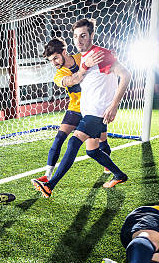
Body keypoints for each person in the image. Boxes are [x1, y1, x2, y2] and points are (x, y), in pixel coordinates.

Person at [32, 18, 131, 198]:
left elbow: (126, 74)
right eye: (76, 36)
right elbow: (76, 79)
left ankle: (50, 185)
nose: (79, 40)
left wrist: (114, 105)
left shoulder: (99, 54)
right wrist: (85, 66)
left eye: (83, 36)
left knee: (73, 141)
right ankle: (119, 174)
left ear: (92, 35)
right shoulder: (84, 58)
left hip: (97, 112)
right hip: (86, 111)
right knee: (92, 150)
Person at [33, 37, 111, 186]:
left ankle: (108, 166)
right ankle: (47, 175)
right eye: (50, 60)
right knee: (59, 138)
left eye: (55, 58)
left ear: (64, 52)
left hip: (93, 108)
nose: (54, 63)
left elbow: (101, 64)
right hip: (75, 108)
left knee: (102, 141)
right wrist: (84, 68)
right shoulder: (59, 74)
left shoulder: (82, 57)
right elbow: (72, 81)